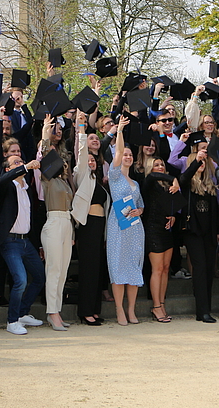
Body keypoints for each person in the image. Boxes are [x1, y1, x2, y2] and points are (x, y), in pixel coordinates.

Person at [0, 150, 44, 335]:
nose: (20, 164)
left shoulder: (26, 189)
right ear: (8, 168)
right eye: (15, 163)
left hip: (26, 241)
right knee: (20, 279)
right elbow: (0, 181)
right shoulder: (6, 185)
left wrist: (38, 244)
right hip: (9, 241)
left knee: (39, 277)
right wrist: (25, 166)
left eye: (21, 161)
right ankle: (11, 321)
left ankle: (22, 313)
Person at [37, 114, 75, 330]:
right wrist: (45, 132)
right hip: (53, 222)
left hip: (66, 224)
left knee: (63, 270)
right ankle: (52, 312)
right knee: (53, 269)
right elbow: (44, 153)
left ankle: (56, 310)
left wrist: (72, 233)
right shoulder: (49, 180)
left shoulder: (65, 183)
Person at [70, 111, 108, 326]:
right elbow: (82, 152)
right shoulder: (81, 173)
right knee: (87, 269)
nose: (91, 161)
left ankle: (94, 309)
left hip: (99, 226)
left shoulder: (98, 181)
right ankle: (85, 311)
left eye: (94, 160)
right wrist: (82, 129)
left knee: (97, 269)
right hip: (87, 226)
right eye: (88, 160)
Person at [107, 116, 145, 325]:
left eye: (131, 155)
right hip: (118, 226)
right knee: (118, 266)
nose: (127, 157)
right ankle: (119, 309)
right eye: (125, 155)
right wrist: (120, 131)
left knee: (133, 267)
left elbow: (141, 205)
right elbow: (119, 151)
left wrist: (140, 210)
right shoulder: (114, 175)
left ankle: (131, 310)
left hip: (135, 228)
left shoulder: (135, 183)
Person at [179, 143, 219, 322]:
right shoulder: (187, 183)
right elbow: (183, 178)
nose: (202, 164)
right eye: (198, 162)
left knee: (209, 268)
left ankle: (206, 309)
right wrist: (196, 160)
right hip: (192, 232)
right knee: (200, 267)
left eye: (204, 162)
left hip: (209, 233)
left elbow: (215, 211)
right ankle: (202, 311)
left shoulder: (209, 185)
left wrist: (218, 231)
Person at [142, 157, 180, 323]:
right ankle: (156, 306)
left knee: (165, 269)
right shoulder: (149, 181)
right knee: (157, 269)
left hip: (166, 230)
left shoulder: (167, 187)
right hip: (153, 229)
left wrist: (173, 216)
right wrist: (174, 178)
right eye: (156, 165)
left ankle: (162, 303)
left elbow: (175, 205)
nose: (159, 167)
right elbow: (153, 177)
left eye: (162, 165)